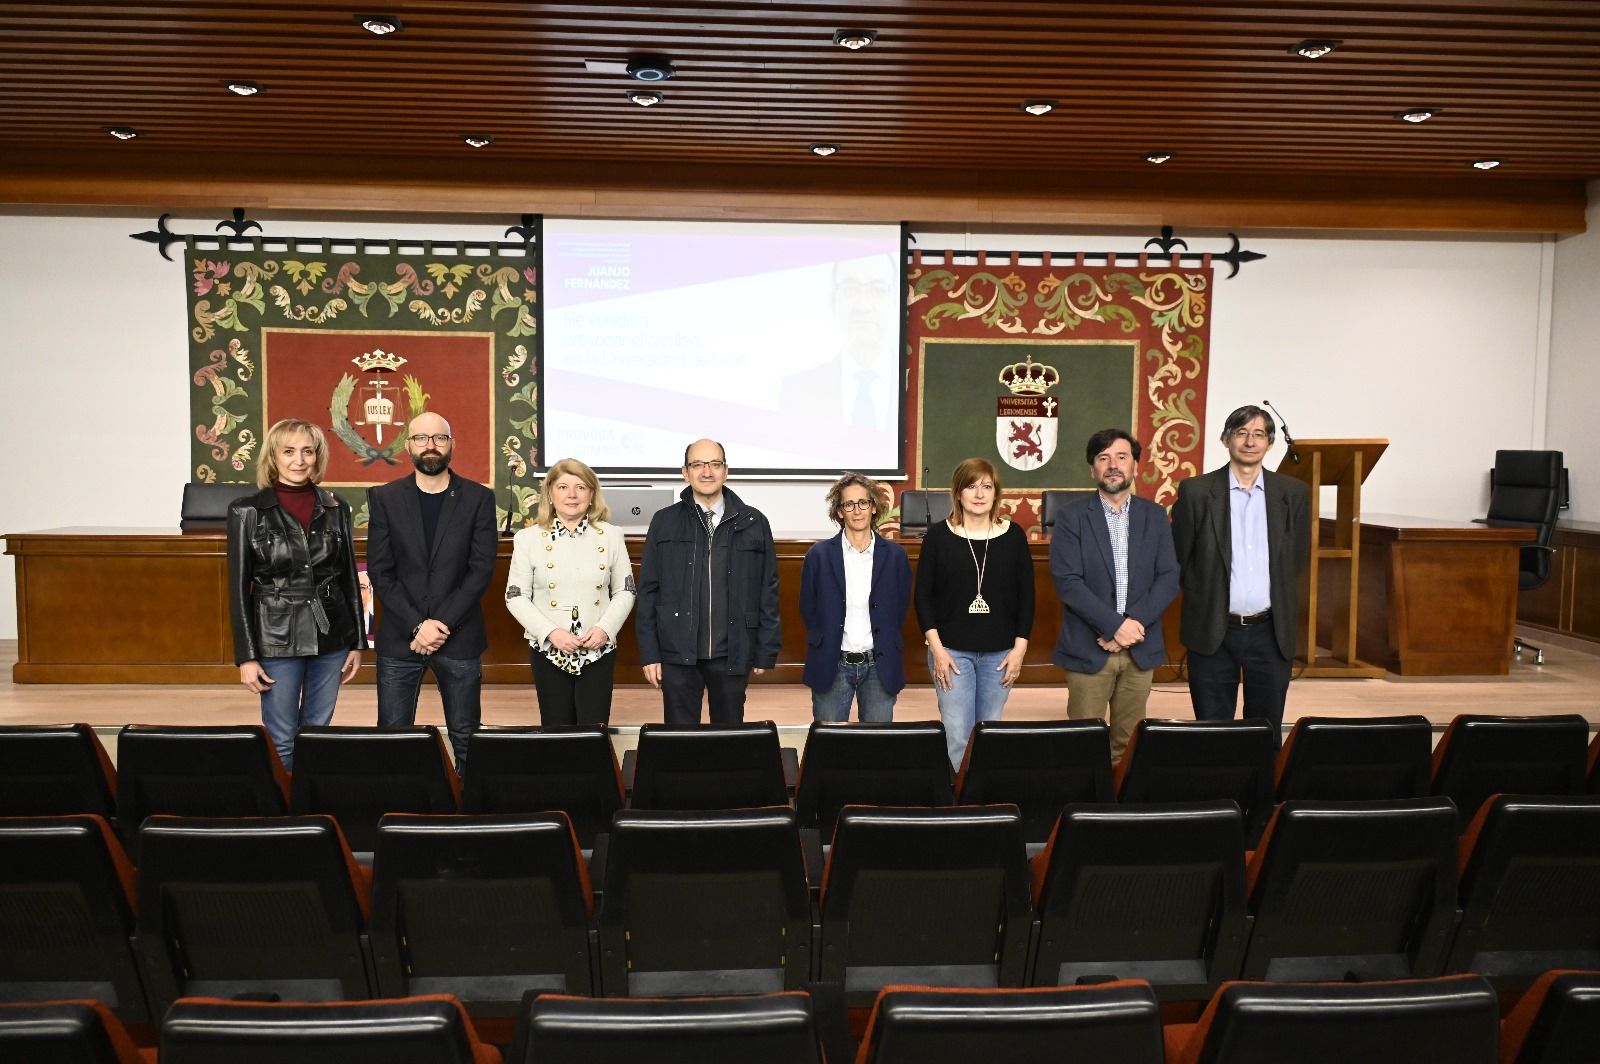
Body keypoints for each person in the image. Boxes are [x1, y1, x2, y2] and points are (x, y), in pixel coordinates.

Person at [227, 418, 363, 770]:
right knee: (282, 737)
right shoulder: (247, 511)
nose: (299, 460)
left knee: (317, 735)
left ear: (318, 457)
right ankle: (286, 817)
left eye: (308, 451)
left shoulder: (336, 507)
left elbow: (349, 576)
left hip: (331, 635)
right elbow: (238, 589)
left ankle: (310, 808)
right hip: (275, 636)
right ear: (273, 456)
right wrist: (246, 657)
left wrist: (357, 644)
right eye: (289, 451)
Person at [366, 411, 498, 773]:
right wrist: (416, 625)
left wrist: (440, 623)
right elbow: (381, 570)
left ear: (451, 444)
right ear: (408, 445)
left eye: (439, 438)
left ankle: (469, 818)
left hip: (459, 637)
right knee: (393, 738)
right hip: (400, 638)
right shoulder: (385, 498)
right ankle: (399, 815)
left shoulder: (478, 498)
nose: (430, 446)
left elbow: (480, 569)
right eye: (421, 438)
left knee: (467, 737)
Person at [1170, 404, 1311, 742]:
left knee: (1265, 732)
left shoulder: (1292, 494)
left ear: (1270, 444)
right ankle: (1217, 793)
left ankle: (1260, 794)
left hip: (1270, 631)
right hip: (1213, 630)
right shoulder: (1196, 491)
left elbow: (1295, 558)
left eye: (1259, 434)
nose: (1250, 441)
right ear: (1226, 439)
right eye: (1241, 433)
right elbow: (1180, 558)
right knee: (1213, 731)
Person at [1050, 429, 1180, 761]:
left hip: (1140, 645)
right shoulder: (1071, 517)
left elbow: (1168, 577)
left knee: (1129, 744)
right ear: (1092, 468)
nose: (1113, 465)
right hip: (1089, 646)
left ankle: (1120, 811)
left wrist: (1130, 626)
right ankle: (1084, 811)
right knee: (1083, 743)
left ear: (1135, 465)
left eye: (1121, 457)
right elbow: (1068, 581)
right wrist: (1113, 626)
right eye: (1103, 458)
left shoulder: (1154, 516)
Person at [635, 438, 781, 723]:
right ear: (685, 472)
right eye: (698, 464)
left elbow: (768, 589)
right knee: (680, 741)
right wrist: (650, 653)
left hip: (732, 651)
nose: (707, 471)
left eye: (714, 464)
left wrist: (766, 650)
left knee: (728, 740)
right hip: (677, 653)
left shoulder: (753, 522)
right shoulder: (664, 521)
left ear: (725, 471)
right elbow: (649, 591)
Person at [914, 457, 1035, 769]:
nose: (979, 493)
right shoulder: (938, 537)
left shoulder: (1014, 536)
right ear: (958, 493)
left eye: (987, 486)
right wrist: (937, 650)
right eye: (971, 486)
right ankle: (960, 808)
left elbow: (1028, 597)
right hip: (951, 653)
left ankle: (984, 802)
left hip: (1001, 654)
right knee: (957, 734)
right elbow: (923, 598)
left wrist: (1020, 648)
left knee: (990, 733)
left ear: (996, 493)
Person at [505, 458, 636, 725]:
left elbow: (626, 590)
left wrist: (605, 629)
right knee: (557, 733)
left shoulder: (611, 536)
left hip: (597, 646)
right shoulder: (527, 539)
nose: (572, 495)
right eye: (563, 487)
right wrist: (551, 633)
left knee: (594, 731)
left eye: (580, 487)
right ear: (550, 493)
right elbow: (515, 596)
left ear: (591, 495)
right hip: (550, 649)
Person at [799, 472, 913, 722]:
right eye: (849, 504)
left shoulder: (895, 556)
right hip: (833, 663)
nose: (857, 510)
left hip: (879, 666)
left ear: (873, 507)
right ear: (839, 512)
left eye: (863, 502)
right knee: (829, 746)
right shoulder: (818, 555)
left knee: (877, 749)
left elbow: (900, 608)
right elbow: (808, 608)